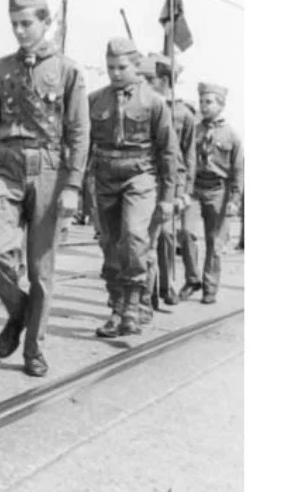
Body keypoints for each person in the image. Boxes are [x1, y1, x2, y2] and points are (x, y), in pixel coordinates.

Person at [0, 0, 89, 378]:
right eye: (15, 24)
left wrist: (72, 185)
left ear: (44, 22)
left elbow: (79, 131)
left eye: (27, 24)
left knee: (41, 269)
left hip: (50, 169)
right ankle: (19, 311)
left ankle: (34, 350)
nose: (20, 31)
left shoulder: (68, 71)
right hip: (5, 166)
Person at [91, 39, 178, 338]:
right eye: (110, 67)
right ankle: (117, 309)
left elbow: (168, 153)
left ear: (135, 65)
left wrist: (168, 198)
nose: (115, 73)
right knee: (111, 245)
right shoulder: (95, 100)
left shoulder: (153, 102)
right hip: (104, 179)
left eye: (121, 67)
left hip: (139, 177)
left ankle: (132, 303)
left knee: (135, 236)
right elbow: (82, 146)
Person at [184, 82, 243, 304]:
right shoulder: (195, 130)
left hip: (219, 191)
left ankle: (210, 288)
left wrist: (235, 200)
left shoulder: (232, 135)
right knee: (186, 233)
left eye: (209, 102)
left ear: (221, 105)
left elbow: (238, 170)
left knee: (214, 243)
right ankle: (192, 279)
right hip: (194, 189)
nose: (204, 106)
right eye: (201, 101)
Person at [147, 55, 197, 307]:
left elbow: (188, 156)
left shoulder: (183, 115)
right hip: (144, 178)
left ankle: (165, 287)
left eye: (151, 78)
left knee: (165, 235)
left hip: (171, 183)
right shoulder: (142, 105)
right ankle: (147, 293)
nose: (146, 82)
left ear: (165, 80)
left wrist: (185, 191)